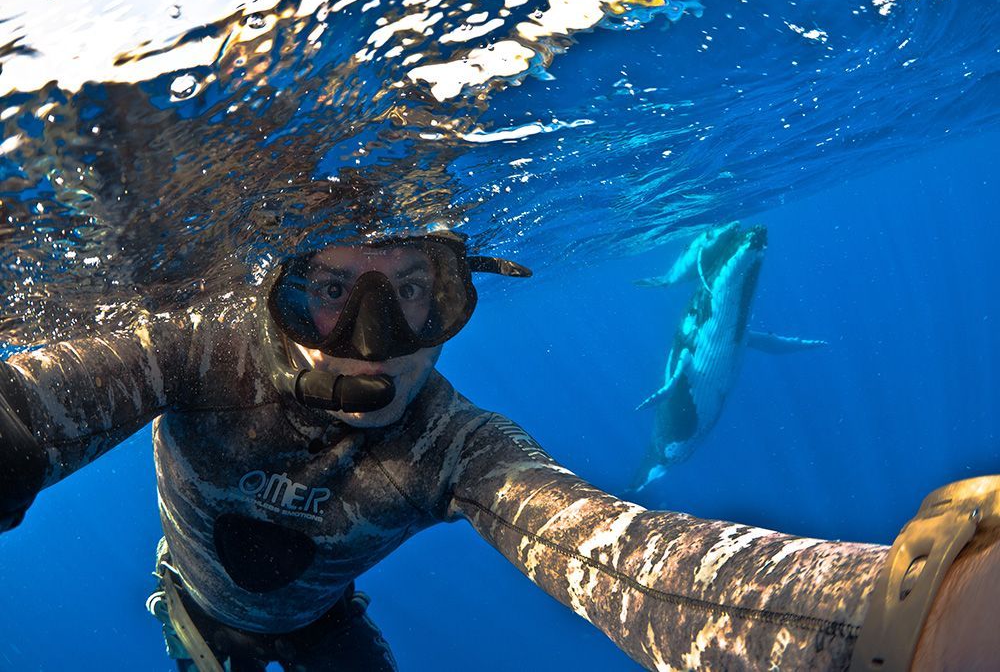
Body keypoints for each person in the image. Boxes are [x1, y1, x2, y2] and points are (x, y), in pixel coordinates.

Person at [1, 229, 999, 671]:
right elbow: (35, 404)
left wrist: (909, 612)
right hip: (197, 606)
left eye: (414, 292)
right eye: (329, 290)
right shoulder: (190, 352)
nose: (368, 338)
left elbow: (619, 556)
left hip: (323, 625)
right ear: (273, 286)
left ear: (457, 297)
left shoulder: (453, 447)